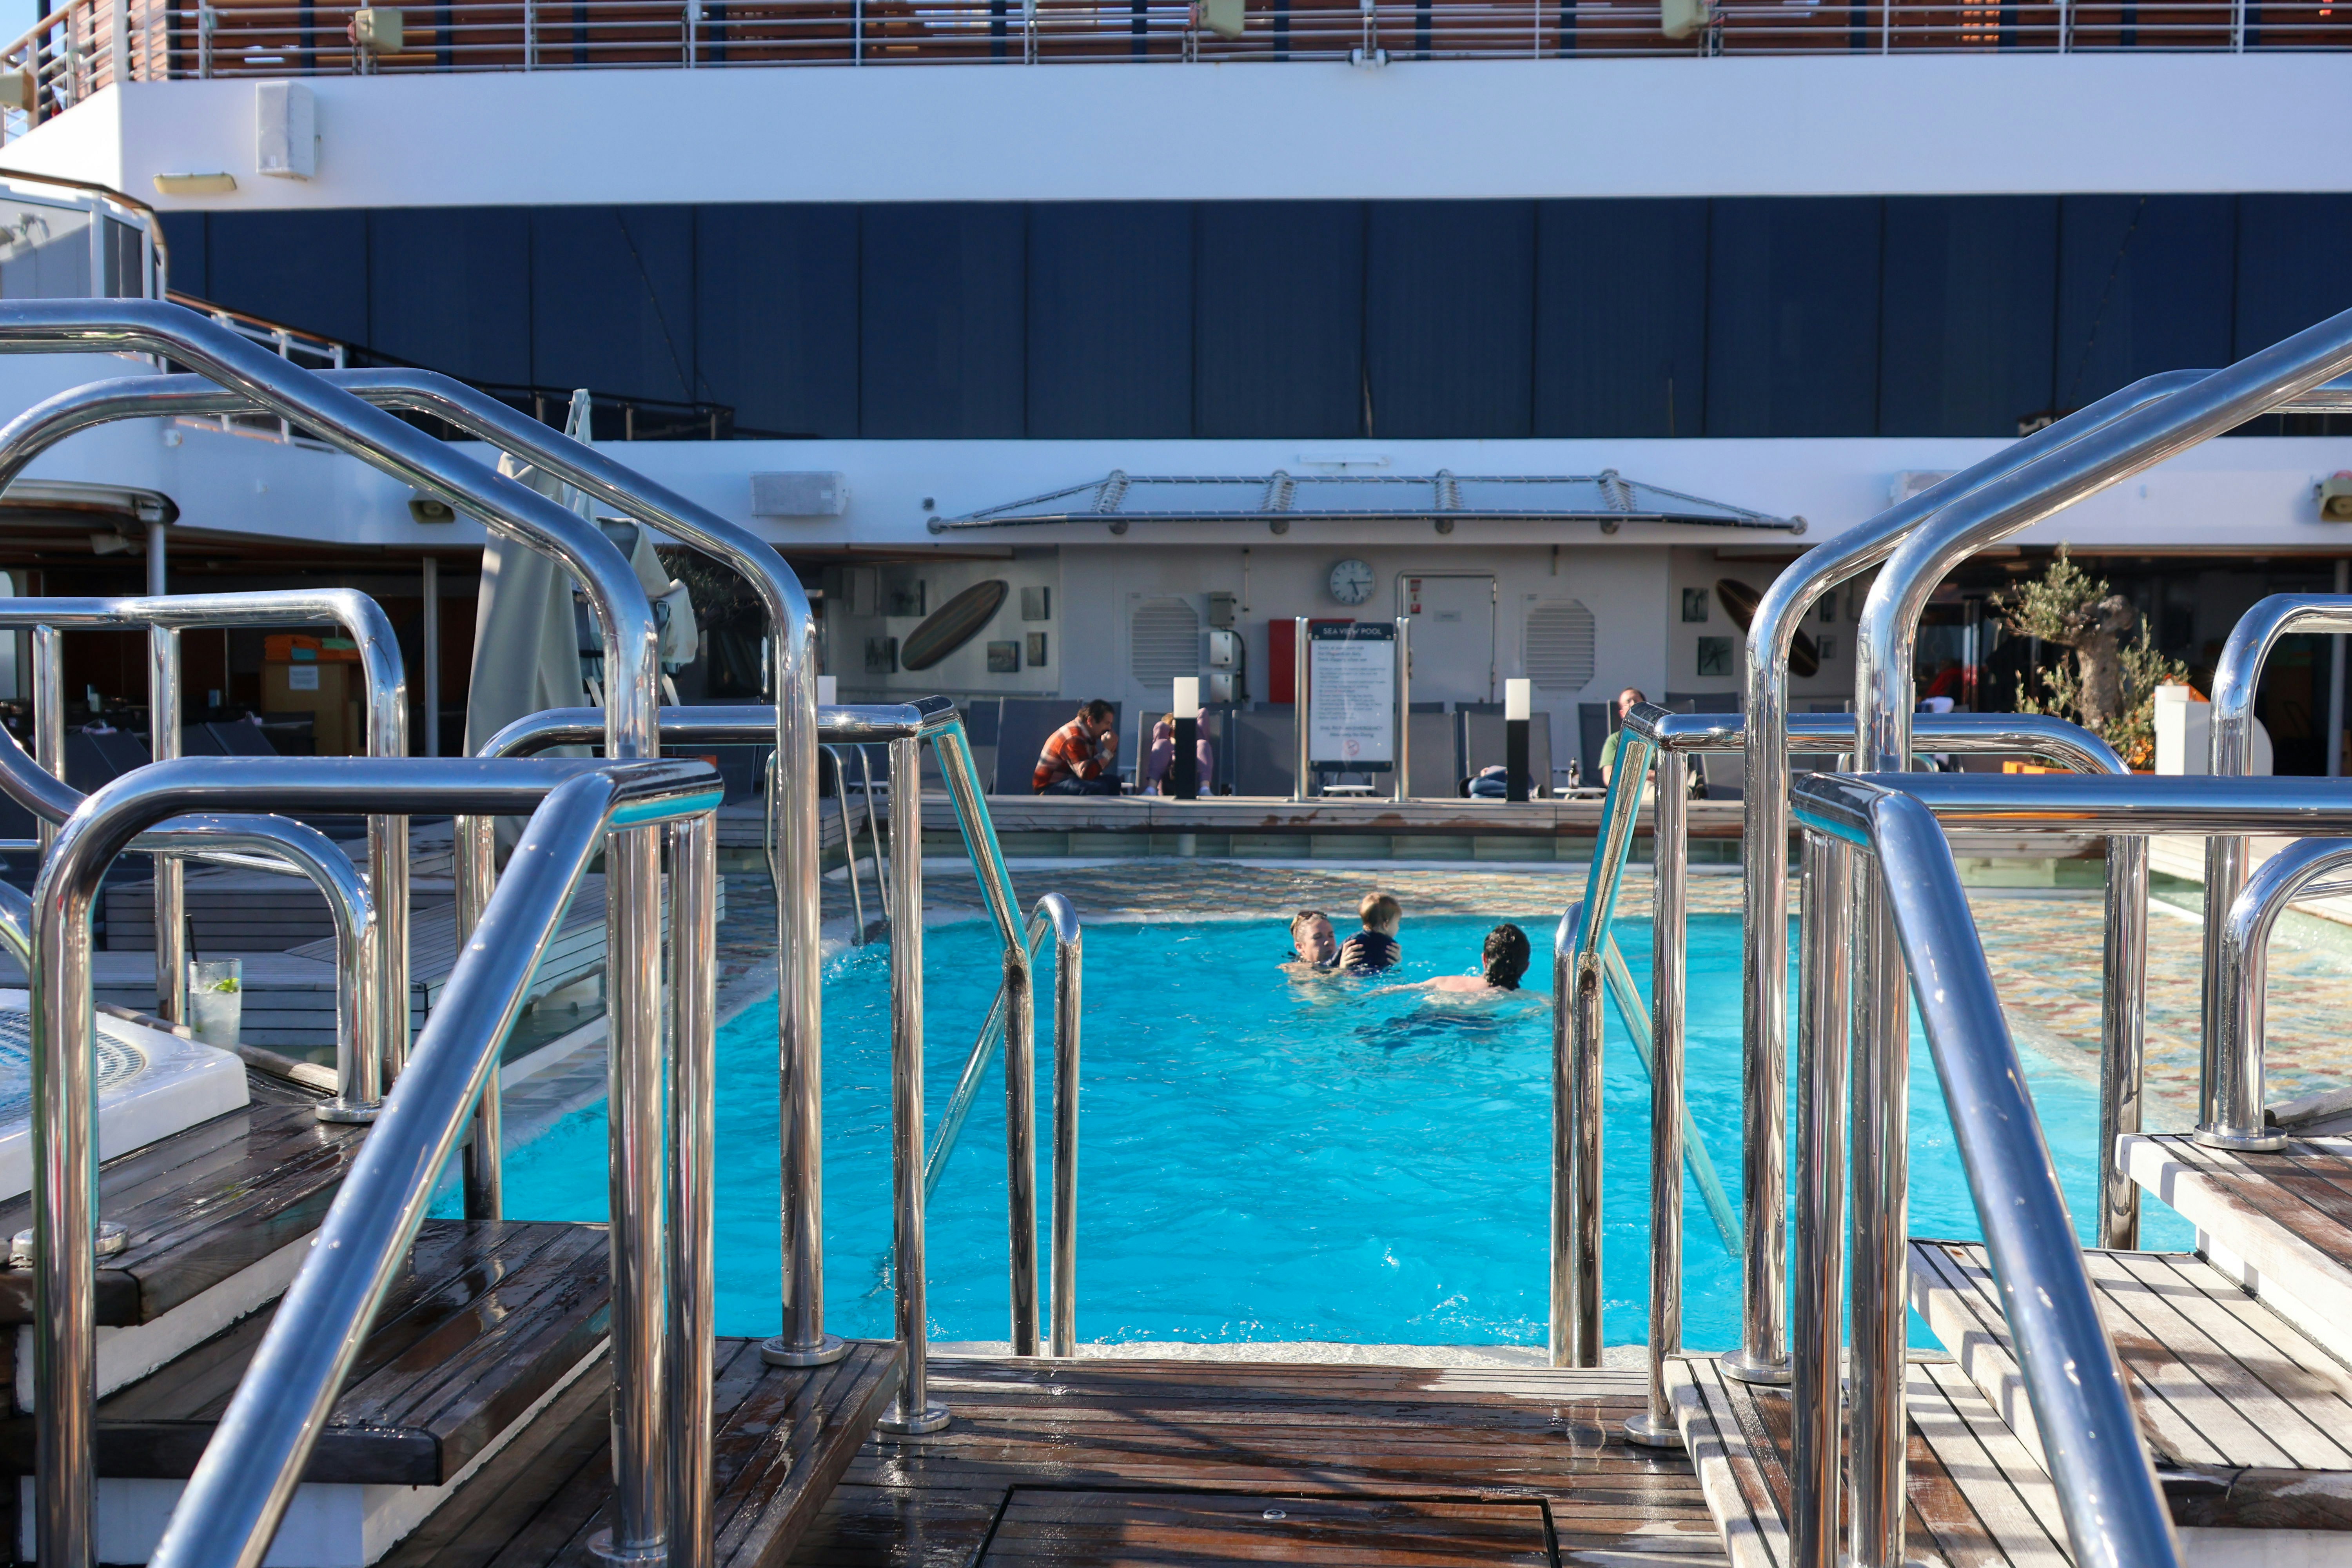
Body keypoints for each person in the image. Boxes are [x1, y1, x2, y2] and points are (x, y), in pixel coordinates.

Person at [1374, 923, 1533, 996]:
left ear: (1484, 960)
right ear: (1526, 968)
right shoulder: (1524, 998)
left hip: (1432, 1016)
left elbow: (1394, 990)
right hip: (1478, 1021)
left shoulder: (1443, 982)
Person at [1033, 699, 1121, 795]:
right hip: (1048, 789)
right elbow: (1085, 774)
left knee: (1114, 782)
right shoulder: (1073, 737)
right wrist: (1107, 751)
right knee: (1096, 788)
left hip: (1068, 782)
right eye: (1107, 723)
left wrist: (1111, 750)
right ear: (1091, 721)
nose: (1109, 729)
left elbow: (1096, 768)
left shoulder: (1087, 736)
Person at [1142, 708, 1214, 795]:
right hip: (1168, 770)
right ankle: (1151, 789)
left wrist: (1185, 716)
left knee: (1203, 743)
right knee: (1161, 739)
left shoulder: (1198, 744)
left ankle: (1205, 789)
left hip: (1193, 762)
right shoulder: (1165, 744)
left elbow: (1203, 713)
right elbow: (1161, 729)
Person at [1339, 890, 1403, 975]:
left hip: (1352, 976)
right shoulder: (1391, 946)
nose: (1398, 927)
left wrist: (1341, 968)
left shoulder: (1352, 941)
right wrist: (1398, 963)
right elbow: (1393, 971)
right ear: (1386, 925)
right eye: (1397, 922)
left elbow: (1330, 964)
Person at [1596, 687, 1646, 785]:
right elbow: (1609, 778)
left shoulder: (1661, 737)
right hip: (1637, 787)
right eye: (1628, 703)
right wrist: (1645, 775)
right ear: (1622, 713)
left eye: (1636, 701)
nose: (1633, 704)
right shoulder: (1615, 741)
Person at [1281, 909, 1340, 975]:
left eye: (1331, 936)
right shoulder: (1295, 970)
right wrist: (1342, 970)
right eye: (1317, 937)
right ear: (1300, 947)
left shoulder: (1344, 960)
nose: (1327, 942)